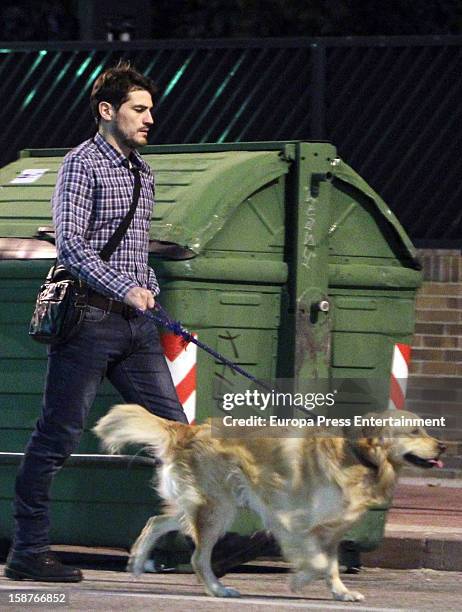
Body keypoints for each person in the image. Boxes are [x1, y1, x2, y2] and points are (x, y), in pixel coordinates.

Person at [5, 61, 188, 582]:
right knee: (57, 436)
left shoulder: (141, 171)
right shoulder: (80, 165)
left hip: (135, 328)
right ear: (107, 111)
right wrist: (124, 286)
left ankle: (198, 540)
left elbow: (134, 250)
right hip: (87, 320)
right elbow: (71, 244)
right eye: (139, 109)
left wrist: (147, 285)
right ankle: (29, 551)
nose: (150, 118)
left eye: (151, 109)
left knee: (178, 436)